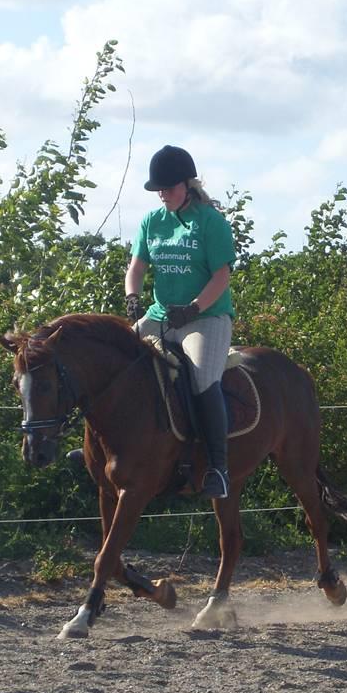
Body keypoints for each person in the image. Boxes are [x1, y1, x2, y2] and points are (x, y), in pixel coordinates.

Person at [125, 145, 236, 499]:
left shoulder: (211, 223)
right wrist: (132, 297)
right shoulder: (151, 221)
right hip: (160, 316)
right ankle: (105, 448)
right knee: (116, 361)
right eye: (159, 189)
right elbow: (137, 267)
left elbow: (222, 276)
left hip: (206, 318)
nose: (163, 194)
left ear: (188, 185)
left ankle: (218, 468)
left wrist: (192, 308)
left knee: (203, 378)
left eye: (169, 188)